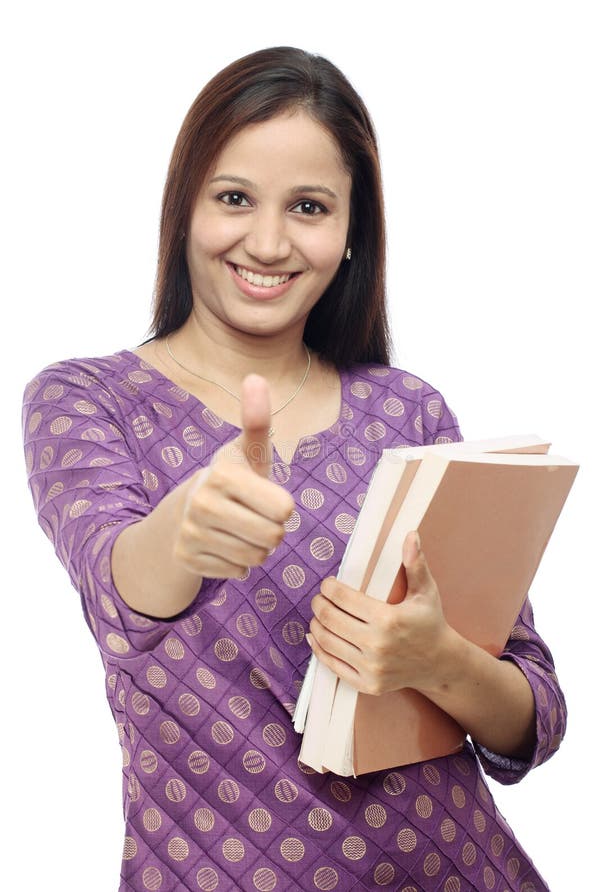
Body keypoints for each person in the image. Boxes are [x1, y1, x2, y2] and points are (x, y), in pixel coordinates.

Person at [22, 46, 565, 892]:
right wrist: (186, 526)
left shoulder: (407, 413)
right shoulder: (86, 401)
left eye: (308, 206)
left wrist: (434, 661)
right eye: (234, 198)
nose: (268, 243)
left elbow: (531, 714)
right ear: (185, 208)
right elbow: (120, 582)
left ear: (352, 236)